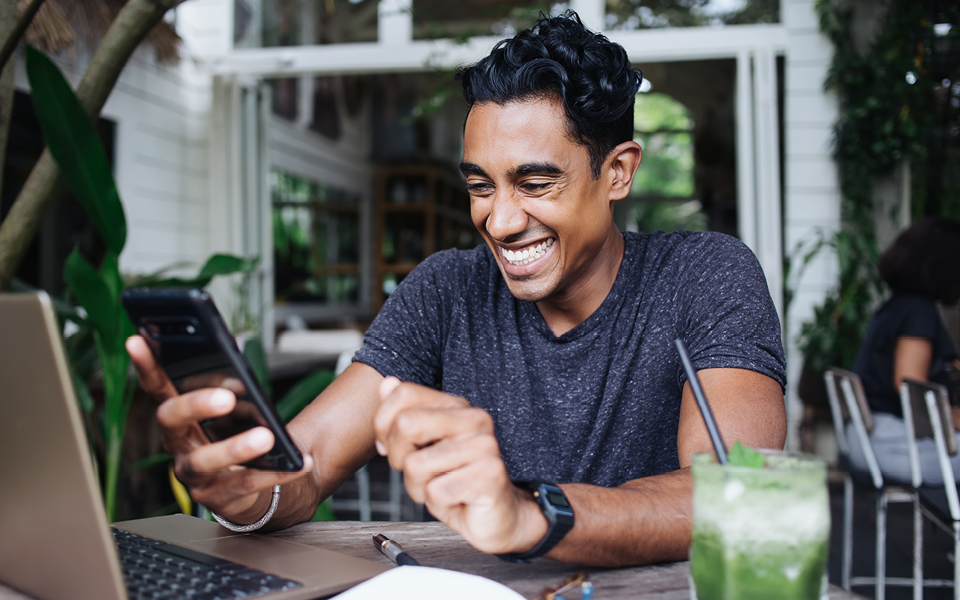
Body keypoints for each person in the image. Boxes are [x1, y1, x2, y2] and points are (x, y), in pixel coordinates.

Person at [127, 11, 786, 566]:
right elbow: (307, 466)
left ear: (617, 173)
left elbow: (736, 497)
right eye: (479, 185)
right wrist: (245, 488)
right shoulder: (447, 289)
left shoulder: (707, 275)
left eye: (534, 183)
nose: (497, 220)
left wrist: (531, 516)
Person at [850, 217, 960, 484]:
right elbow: (912, 392)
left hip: (870, 439)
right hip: (895, 446)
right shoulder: (918, 312)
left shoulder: (895, 308)